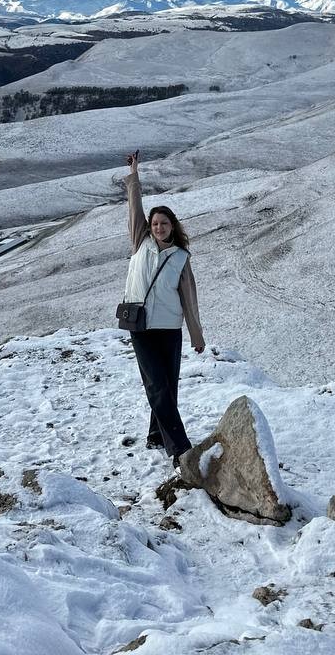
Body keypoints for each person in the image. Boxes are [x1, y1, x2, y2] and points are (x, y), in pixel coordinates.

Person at [122, 150, 205, 468]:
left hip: (169, 328)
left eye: (163, 223)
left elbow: (189, 298)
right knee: (156, 384)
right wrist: (134, 175)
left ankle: (156, 435)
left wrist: (196, 334)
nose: (158, 227)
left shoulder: (181, 258)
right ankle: (179, 447)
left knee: (168, 385)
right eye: (154, 223)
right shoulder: (139, 242)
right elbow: (135, 208)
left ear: (172, 227)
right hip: (140, 325)